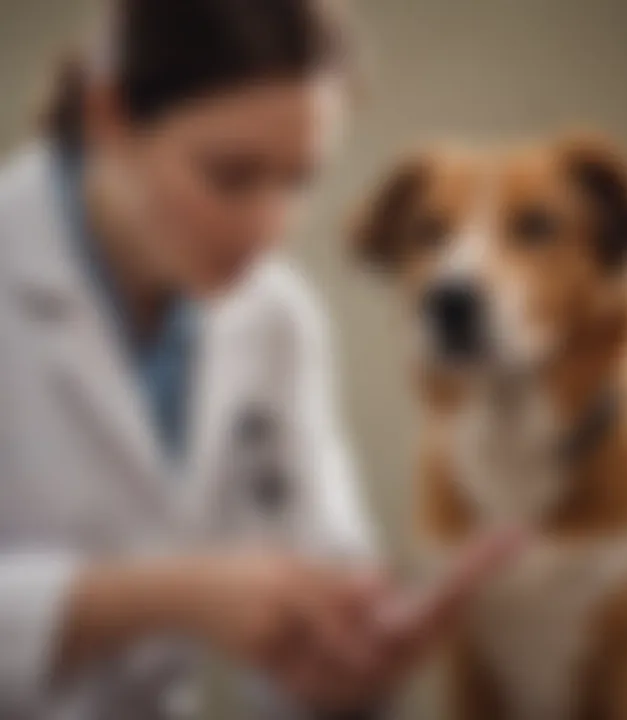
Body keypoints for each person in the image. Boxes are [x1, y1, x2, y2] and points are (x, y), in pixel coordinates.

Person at [0, 1, 525, 718]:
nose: (270, 228)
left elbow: (316, 566)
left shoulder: (278, 317)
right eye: (231, 176)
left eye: (299, 180)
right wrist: (173, 595)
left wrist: (348, 656)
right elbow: (212, 593)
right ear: (108, 117)